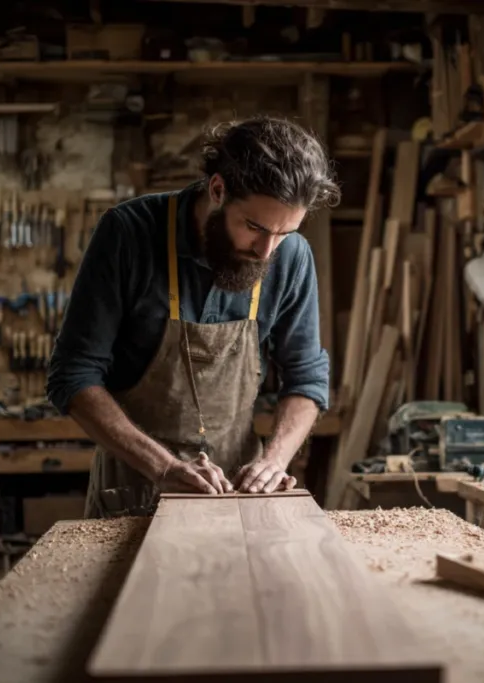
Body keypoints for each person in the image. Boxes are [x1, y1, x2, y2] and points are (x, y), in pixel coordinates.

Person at [46, 116, 339, 518]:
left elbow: (306, 377)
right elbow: (73, 375)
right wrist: (163, 467)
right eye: (254, 227)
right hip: (135, 484)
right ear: (218, 189)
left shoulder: (290, 257)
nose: (266, 251)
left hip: (238, 491)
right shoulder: (128, 234)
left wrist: (273, 462)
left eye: (284, 233)